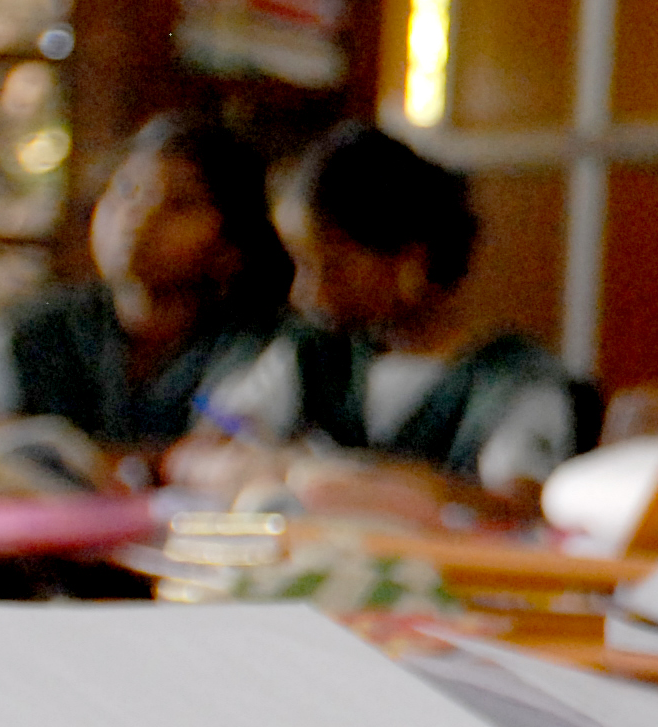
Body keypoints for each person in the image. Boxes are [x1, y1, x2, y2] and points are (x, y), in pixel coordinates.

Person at [183, 124, 592, 515]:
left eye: (331, 268)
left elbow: (517, 507)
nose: (301, 293)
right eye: (299, 267)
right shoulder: (315, 352)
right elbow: (208, 443)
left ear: (411, 262)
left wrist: (346, 478)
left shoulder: (515, 382)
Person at [0, 113, 289, 451]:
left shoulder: (254, 344)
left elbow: (212, 457)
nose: (139, 217)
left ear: (233, 244)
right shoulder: (53, 325)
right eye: (126, 190)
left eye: (179, 205)